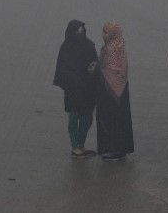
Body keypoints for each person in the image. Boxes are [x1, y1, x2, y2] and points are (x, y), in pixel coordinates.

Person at [53, 20, 99, 158]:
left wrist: (91, 77)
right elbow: (62, 69)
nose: (80, 33)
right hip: (73, 90)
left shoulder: (89, 46)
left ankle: (80, 144)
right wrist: (73, 81)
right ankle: (75, 147)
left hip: (87, 89)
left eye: (81, 31)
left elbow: (94, 64)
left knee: (87, 118)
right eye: (77, 31)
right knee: (73, 118)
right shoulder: (66, 48)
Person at [95, 21, 135, 161]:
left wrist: (96, 70)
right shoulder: (120, 45)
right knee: (121, 120)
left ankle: (113, 150)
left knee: (110, 121)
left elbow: (109, 70)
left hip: (109, 92)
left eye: (106, 32)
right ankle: (121, 148)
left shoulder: (109, 49)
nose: (103, 35)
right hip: (122, 89)